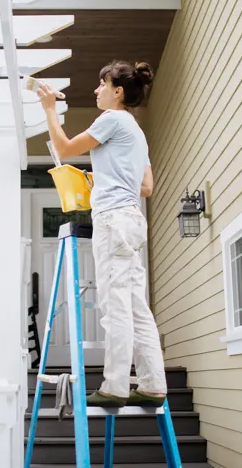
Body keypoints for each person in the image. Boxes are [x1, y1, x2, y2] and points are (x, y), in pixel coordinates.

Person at [36, 60, 167, 408]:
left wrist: (50, 109)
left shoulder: (111, 119)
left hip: (112, 221)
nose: (96, 90)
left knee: (114, 306)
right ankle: (153, 384)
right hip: (132, 219)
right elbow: (147, 186)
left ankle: (115, 386)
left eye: (101, 84)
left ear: (118, 91)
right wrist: (104, 180)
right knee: (136, 305)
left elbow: (64, 150)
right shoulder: (136, 132)